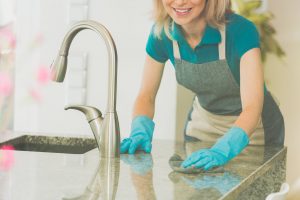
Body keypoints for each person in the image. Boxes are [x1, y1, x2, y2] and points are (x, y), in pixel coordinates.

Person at [120, 0, 285, 170]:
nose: (180, 2)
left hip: (255, 132)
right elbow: (146, 95)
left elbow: (252, 108)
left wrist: (223, 150)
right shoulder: (162, 33)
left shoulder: (240, 31)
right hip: (203, 124)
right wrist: (140, 129)